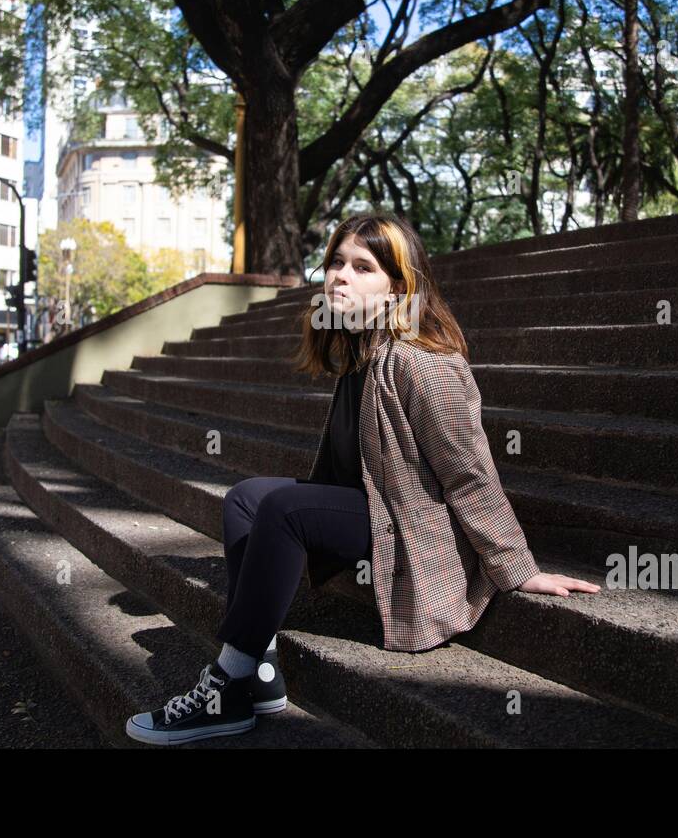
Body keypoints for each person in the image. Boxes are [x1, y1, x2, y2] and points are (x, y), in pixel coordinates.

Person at [125, 213, 601, 746]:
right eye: (335, 262)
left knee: (285, 509)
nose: (339, 277)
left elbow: (470, 475)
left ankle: (226, 686)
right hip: (375, 509)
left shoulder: (421, 363)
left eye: (362, 266)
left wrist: (516, 568)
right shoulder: (362, 351)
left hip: (418, 531)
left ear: (398, 286)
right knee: (246, 500)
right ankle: (259, 672)